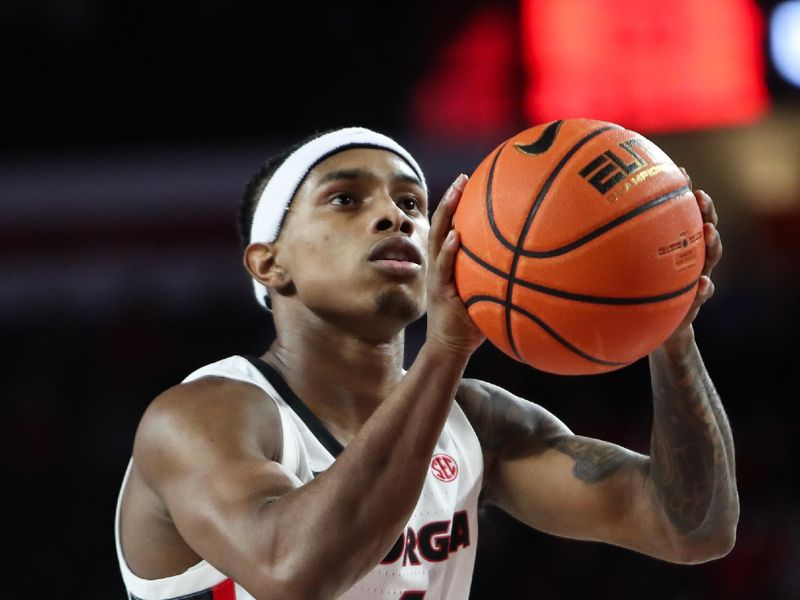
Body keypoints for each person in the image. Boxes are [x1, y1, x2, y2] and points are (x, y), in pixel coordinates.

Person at [114, 126, 738, 600]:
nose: (395, 216)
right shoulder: (203, 416)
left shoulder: (476, 420)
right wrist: (446, 350)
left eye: (413, 203)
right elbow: (294, 572)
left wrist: (666, 328)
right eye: (345, 200)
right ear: (269, 263)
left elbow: (691, 529)